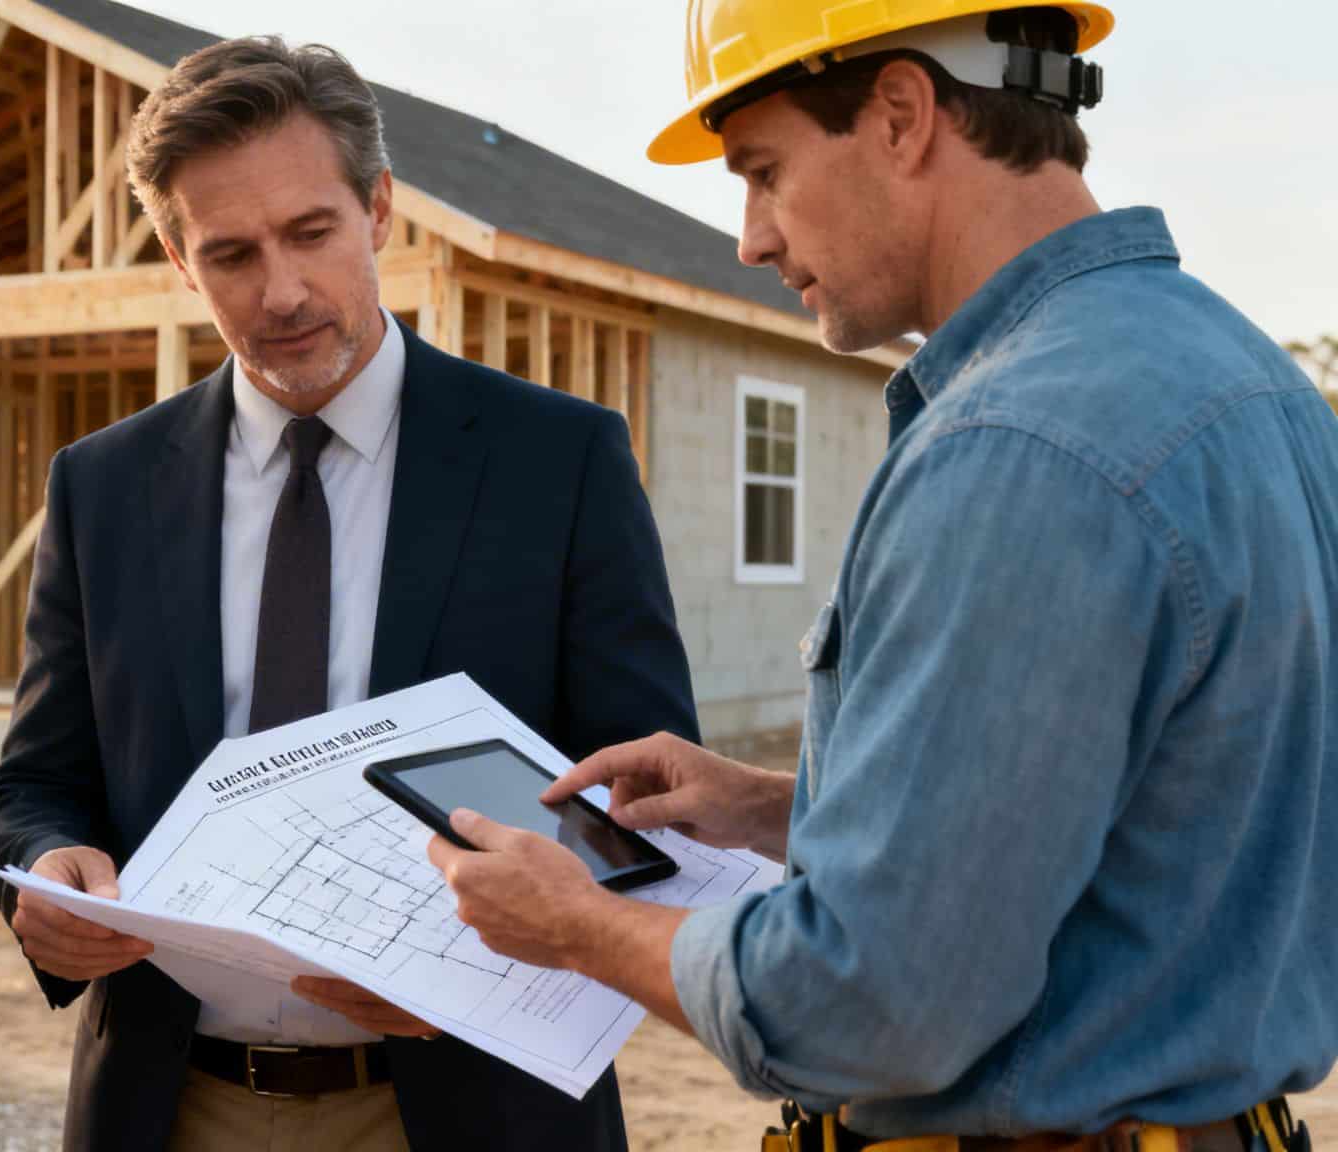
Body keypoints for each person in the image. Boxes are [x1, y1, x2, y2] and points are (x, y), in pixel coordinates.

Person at [429, 3, 1337, 1150]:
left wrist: (575, 927)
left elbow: (869, 1005)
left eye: (762, 171)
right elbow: (1153, 825)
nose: (749, 238)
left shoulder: (1016, 446)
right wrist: (780, 810)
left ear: (901, 115)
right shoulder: (1247, 381)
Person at [0, 35, 698, 1152]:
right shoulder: (102, 487)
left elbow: (642, 803)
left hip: (477, 1106)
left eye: (311, 232)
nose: (280, 292)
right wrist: (42, 874)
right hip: (172, 1108)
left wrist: (476, 980)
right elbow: (39, 782)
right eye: (228, 254)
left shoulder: (558, 461)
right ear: (177, 260)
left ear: (380, 209)